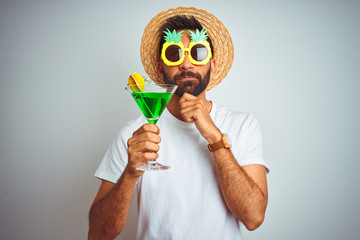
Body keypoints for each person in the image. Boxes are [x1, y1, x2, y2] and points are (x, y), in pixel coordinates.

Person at [88, 6, 269, 240]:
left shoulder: (244, 125)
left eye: (198, 53)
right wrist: (130, 173)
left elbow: (254, 218)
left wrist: (215, 138)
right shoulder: (133, 135)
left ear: (212, 67)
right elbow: (97, 234)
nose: (186, 64)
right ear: (161, 68)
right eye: (174, 54)